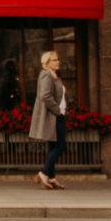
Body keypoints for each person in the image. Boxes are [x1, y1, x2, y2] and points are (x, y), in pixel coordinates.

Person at [29, 49, 70, 189]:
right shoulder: (47, 76)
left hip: (57, 116)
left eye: (58, 59)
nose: (58, 62)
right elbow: (45, 96)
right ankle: (44, 173)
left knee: (52, 146)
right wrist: (57, 110)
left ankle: (51, 178)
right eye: (54, 60)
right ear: (47, 63)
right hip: (52, 117)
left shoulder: (54, 76)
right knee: (61, 145)